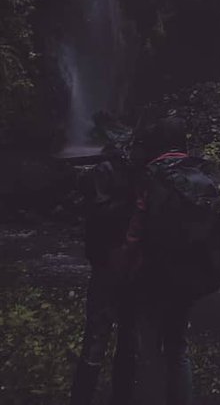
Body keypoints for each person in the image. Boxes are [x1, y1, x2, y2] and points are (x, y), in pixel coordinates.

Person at [121, 116, 220, 405]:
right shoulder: (202, 177)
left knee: (148, 348)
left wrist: (125, 265)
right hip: (188, 275)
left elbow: (136, 230)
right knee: (177, 347)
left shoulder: (151, 176)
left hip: (152, 274)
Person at [70, 127, 138, 405]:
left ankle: (85, 396)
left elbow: (96, 215)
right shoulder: (137, 172)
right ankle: (118, 395)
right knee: (125, 334)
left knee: (102, 333)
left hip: (111, 265)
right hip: (129, 264)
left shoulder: (106, 171)